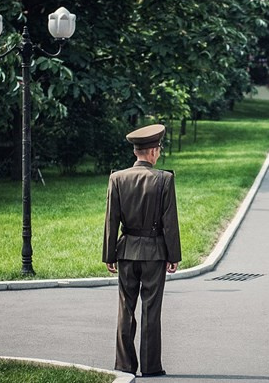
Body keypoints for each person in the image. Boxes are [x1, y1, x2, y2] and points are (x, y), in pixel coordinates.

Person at [102, 123, 182, 377]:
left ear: (136, 151)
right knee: (151, 310)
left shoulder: (117, 178)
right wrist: (174, 256)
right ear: (153, 151)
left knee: (126, 309)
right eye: (158, 148)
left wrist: (109, 254)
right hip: (155, 253)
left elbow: (111, 220)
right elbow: (170, 222)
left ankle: (124, 365)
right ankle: (150, 367)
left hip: (126, 252)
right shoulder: (164, 179)